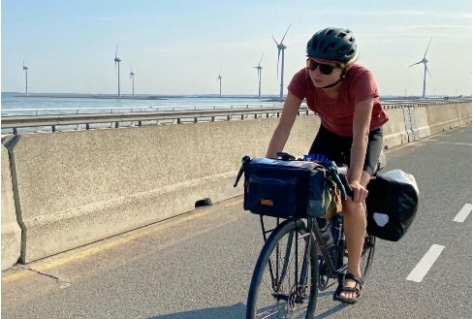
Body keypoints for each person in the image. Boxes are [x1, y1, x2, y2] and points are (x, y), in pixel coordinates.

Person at [265, 27, 389, 304]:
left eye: (325, 68)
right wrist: (270, 165)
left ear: (345, 69)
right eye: (311, 63)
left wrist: (355, 181)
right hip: (330, 134)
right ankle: (327, 247)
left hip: (365, 138)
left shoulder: (361, 79)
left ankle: (353, 274)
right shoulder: (302, 80)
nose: (316, 72)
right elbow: (284, 125)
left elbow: (362, 134)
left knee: (350, 199)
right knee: (311, 187)